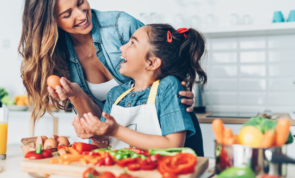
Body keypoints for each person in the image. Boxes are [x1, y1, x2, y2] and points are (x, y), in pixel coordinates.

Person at [18, 0, 199, 150]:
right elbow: (104, 126)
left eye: (80, 2)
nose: (81, 15)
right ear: (50, 22)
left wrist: (179, 89)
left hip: (172, 142)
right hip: (128, 154)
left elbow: (162, 58)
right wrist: (78, 98)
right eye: (67, 14)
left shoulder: (121, 26)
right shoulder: (58, 57)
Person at [72, 25, 207, 155]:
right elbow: (102, 147)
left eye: (132, 43)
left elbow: (173, 146)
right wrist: (96, 135)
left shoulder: (168, 87)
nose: (122, 47)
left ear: (152, 63)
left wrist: (116, 130)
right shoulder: (115, 94)